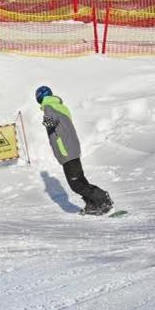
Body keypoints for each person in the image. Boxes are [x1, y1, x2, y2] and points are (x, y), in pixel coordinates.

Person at [36, 85, 113, 215]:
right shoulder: (60, 106)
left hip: (66, 151)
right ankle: (92, 203)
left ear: (39, 98)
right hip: (71, 149)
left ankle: (103, 199)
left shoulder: (48, 107)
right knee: (80, 180)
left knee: (76, 184)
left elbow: (51, 118)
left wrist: (48, 121)